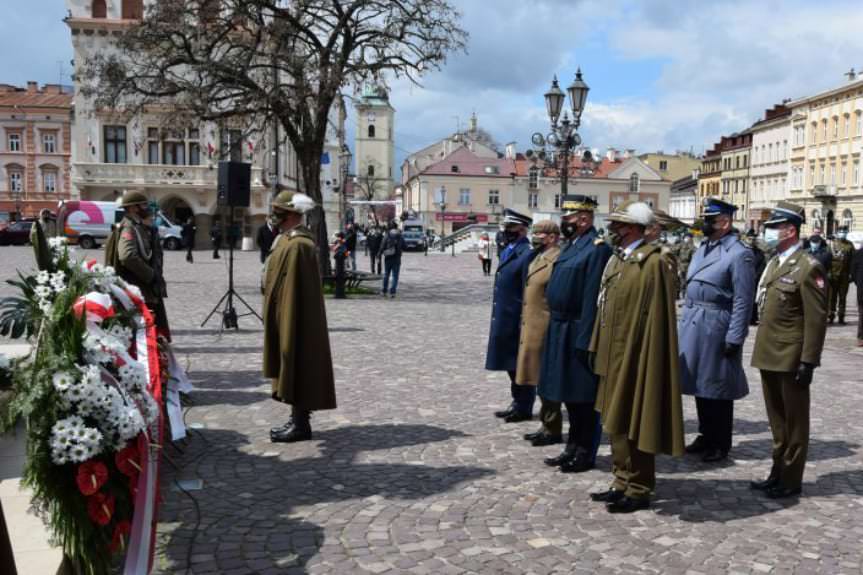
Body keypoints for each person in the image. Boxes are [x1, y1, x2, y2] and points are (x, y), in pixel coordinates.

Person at [589, 201, 684, 513]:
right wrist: (597, 345)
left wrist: (647, 355)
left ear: (634, 229)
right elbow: (605, 306)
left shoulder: (654, 261)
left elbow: (658, 315)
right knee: (614, 419)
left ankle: (639, 487)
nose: (614, 229)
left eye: (620, 225)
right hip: (613, 352)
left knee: (635, 418)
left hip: (637, 352)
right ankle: (621, 479)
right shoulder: (619, 259)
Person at [750, 201, 828, 498]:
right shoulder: (775, 262)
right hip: (769, 352)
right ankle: (777, 471)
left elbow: (816, 319)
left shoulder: (808, 267)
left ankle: (791, 479)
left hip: (791, 357)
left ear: (790, 230)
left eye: (774, 227)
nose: (768, 232)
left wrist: (809, 361)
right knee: (777, 421)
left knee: (794, 422)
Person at [535, 196, 612, 473]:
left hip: (577, 328)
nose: (563, 222)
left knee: (583, 397)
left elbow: (592, 297)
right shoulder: (572, 245)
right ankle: (571, 446)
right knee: (567, 393)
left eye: (568, 217)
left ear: (584, 218)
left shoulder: (596, 249)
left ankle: (585, 452)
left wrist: (586, 338)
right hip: (559, 327)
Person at [678, 198, 756, 463]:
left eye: (709, 220)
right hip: (695, 321)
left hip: (717, 324)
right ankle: (705, 433)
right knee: (699, 384)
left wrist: (735, 336)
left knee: (717, 386)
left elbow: (743, 299)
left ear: (724, 222)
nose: (704, 224)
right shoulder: (704, 248)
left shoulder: (739, 253)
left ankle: (720, 441)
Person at [263, 190, 336, 443]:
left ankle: (300, 424)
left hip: (295, 316)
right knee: (289, 363)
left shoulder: (299, 245)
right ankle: (297, 419)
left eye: (279, 211)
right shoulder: (286, 240)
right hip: (283, 313)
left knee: (299, 363)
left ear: (291, 214)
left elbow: (297, 290)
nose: (274, 215)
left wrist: (289, 320)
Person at [514, 220, 561, 438]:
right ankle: (546, 425)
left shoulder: (557, 260)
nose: (535, 238)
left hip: (544, 328)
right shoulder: (538, 257)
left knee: (546, 381)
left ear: (552, 237)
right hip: (531, 327)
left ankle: (551, 427)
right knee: (537, 378)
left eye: (539, 234)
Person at [487, 209, 534, 422]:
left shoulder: (526, 253)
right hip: (505, 316)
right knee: (510, 364)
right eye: (505, 227)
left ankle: (524, 406)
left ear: (522, 229)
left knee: (519, 365)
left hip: (516, 317)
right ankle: (517, 402)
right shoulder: (509, 249)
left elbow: (527, 289)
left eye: (511, 227)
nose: (506, 231)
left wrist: (524, 319)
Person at [105, 192, 171, 339]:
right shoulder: (129, 228)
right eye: (144, 205)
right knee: (141, 331)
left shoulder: (136, 226)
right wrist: (150, 275)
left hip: (141, 286)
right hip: (137, 286)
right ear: (133, 208)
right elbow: (127, 256)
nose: (147, 208)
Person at [827, 226, 855, 324]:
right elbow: (827, 259)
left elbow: (853, 260)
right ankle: (831, 316)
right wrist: (828, 272)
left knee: (842, 297)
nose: (843, 233)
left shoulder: (850, 245)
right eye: (841, 232)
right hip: (833, 274)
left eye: (844, 232)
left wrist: (852, 274)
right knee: (832, 297)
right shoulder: (831, 244)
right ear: (837, 233)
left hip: (844, 274)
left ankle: (841, 317)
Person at [743, 229, 767, 325]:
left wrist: (755, 276)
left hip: (754, 280)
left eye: (753, 239)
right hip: (742, 279)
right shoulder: (741, 251)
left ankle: (752, 318)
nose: (751, 241)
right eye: (749, 239)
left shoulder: (759, 253)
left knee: (753, 300)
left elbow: (762, 266)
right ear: (746, 239)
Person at [380, 222, 406, 298]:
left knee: (386, 275)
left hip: (388, 257)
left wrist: (379, 254)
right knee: (395, 276)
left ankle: (384, 291)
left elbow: (382, 245)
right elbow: (405, 246)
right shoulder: (400, 236)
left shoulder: (387, 235)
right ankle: (392, 292)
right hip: (397, 258)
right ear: (396, 227)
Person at [853, 242, 863, 347]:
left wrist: (858, 282)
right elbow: (853, 271)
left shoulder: (858, 253)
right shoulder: (858, 253)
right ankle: (860, 338)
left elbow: (853, 272)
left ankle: (861, 338)